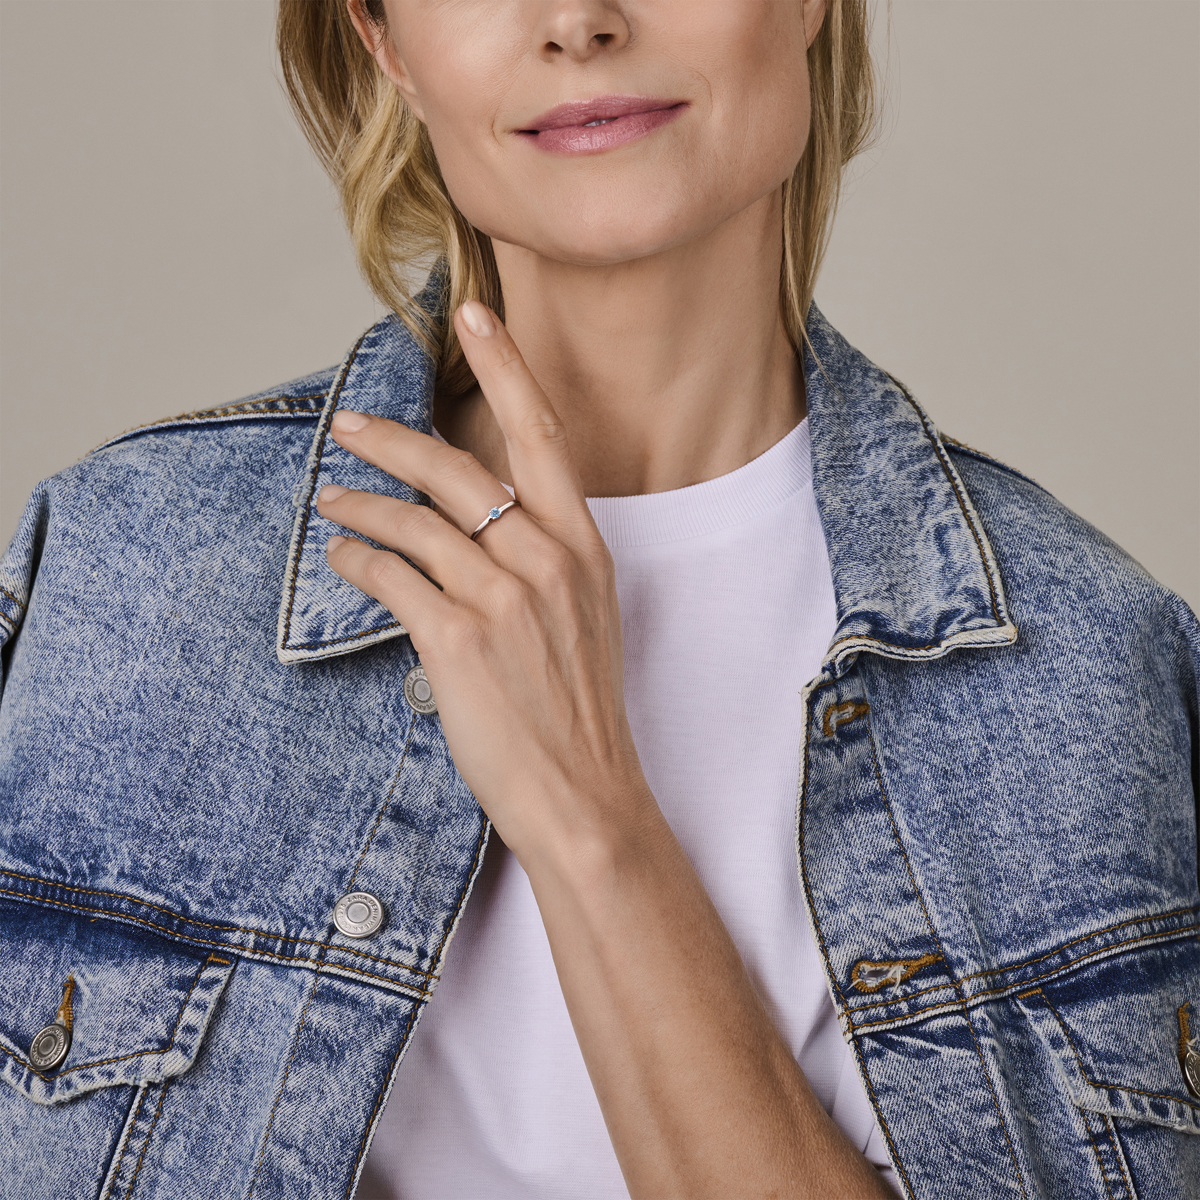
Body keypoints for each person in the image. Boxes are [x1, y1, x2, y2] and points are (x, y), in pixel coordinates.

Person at [0, 2, 1196, 1198]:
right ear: (385, 42)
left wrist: (591, 822)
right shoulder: (119, 577)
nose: (578, 20)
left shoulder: (1093, 674)